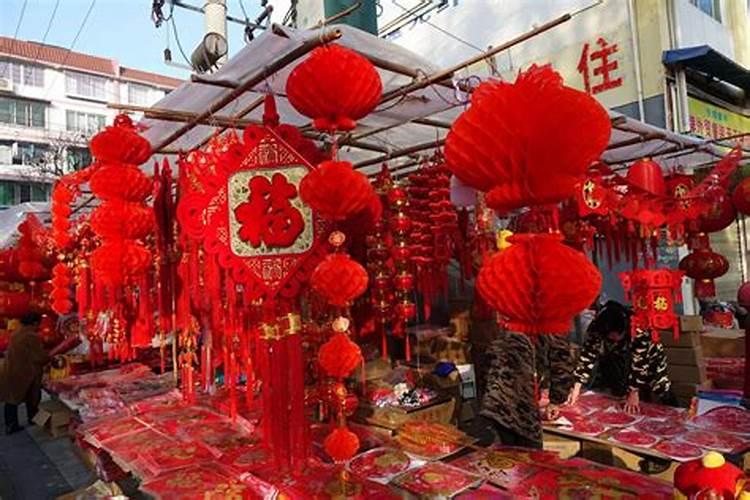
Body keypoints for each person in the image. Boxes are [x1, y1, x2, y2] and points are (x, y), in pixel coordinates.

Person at [567, 300, 677, 413]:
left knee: (660, 387)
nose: (613, 340)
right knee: (621, 393)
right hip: (621, 356)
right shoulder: (597, 327)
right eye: (610, 338)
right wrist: (576, 386)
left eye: (616, 336)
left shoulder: (639, 327)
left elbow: (640, 363)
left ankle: (675, 413)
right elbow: (587, 355)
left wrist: (634, 391)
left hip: (650, 358)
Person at [471, 330, 574, 448]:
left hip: (494, 401)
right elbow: (562, 366)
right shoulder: (551, 325)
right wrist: (556, 399)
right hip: (521, 405)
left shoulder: (507, 324)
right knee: (527, 456)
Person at [0, 312, 50, 434]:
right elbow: (39, 357)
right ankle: (23, 422)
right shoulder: (31, 336)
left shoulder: (17, 332)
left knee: (12, 399)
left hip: (12, 369)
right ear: (34, 323)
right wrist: (49, 357)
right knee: (26, 398)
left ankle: (12, 424)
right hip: (24, 372)